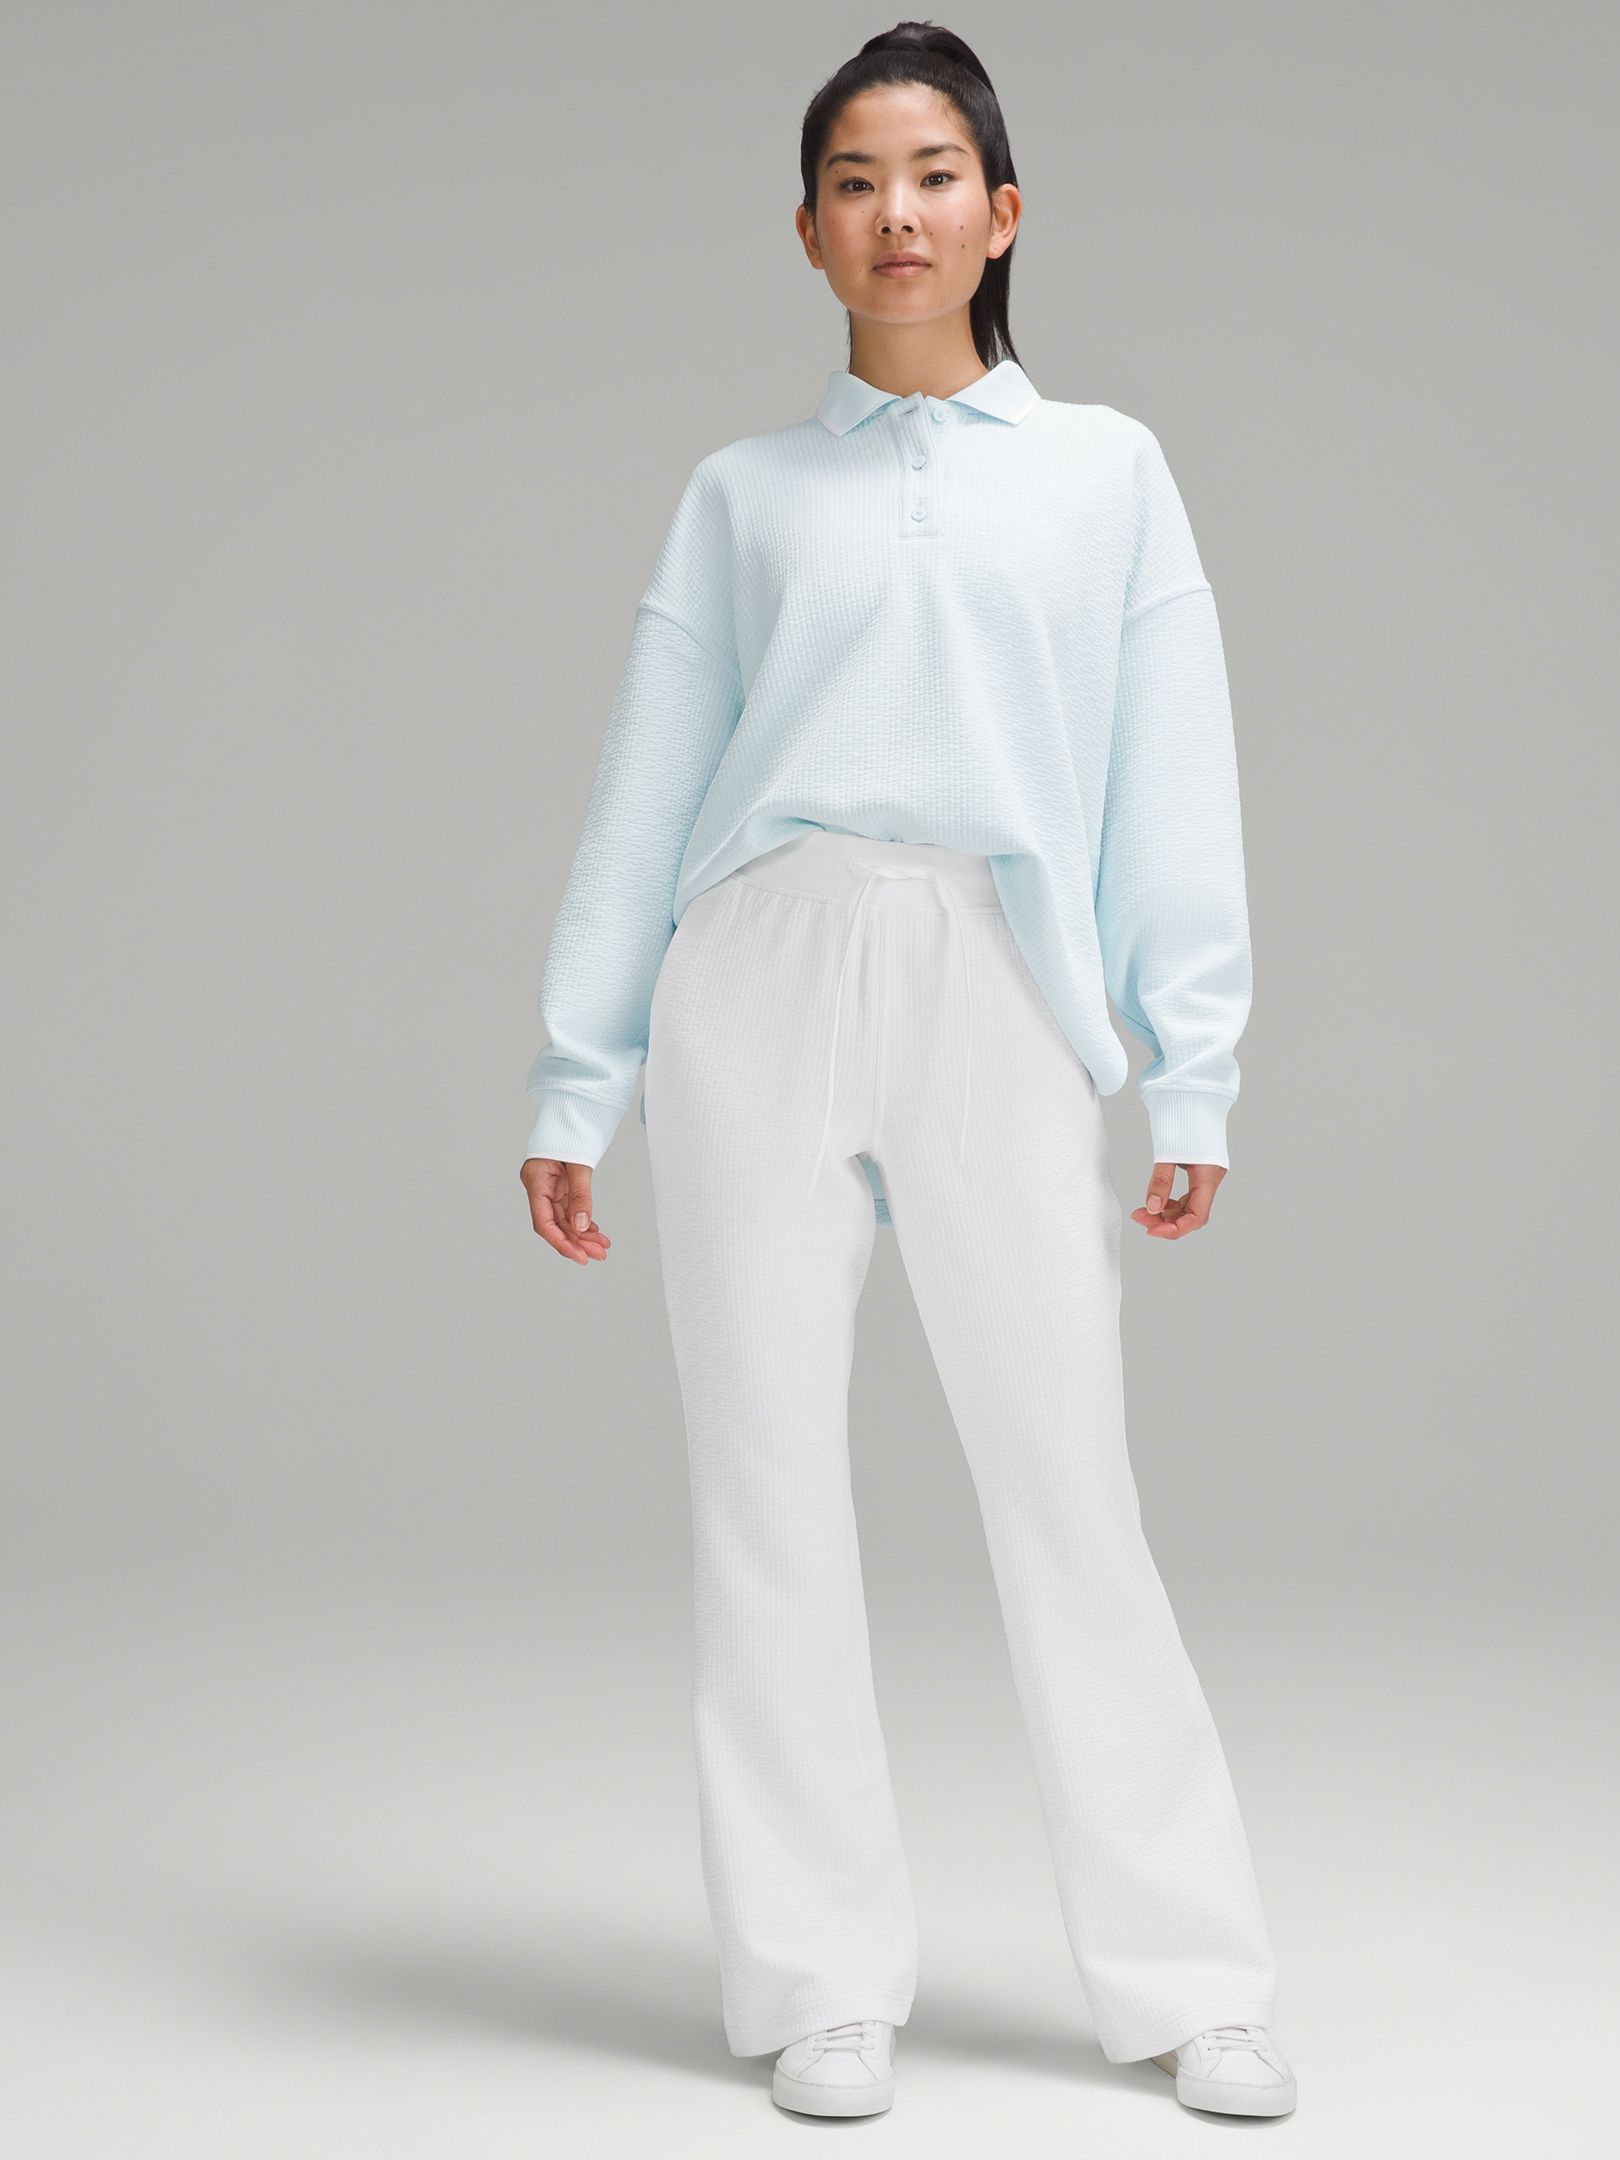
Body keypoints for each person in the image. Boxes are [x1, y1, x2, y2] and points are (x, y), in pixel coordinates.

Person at [518, 20, 1297, 2124]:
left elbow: (1172, 784)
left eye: (935, 173)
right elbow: (647, 789)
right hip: (757, 972)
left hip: (996, 976)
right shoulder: (741, 496)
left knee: (1067, 1484)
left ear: (1004, 211)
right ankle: (815, 1980)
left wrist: (1191, 1071)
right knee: (764, 1485)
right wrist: (579, 1076)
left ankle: (1192, 1978)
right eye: (855, 181)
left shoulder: (1109, 473)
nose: (898, 213)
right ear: (807, 231)